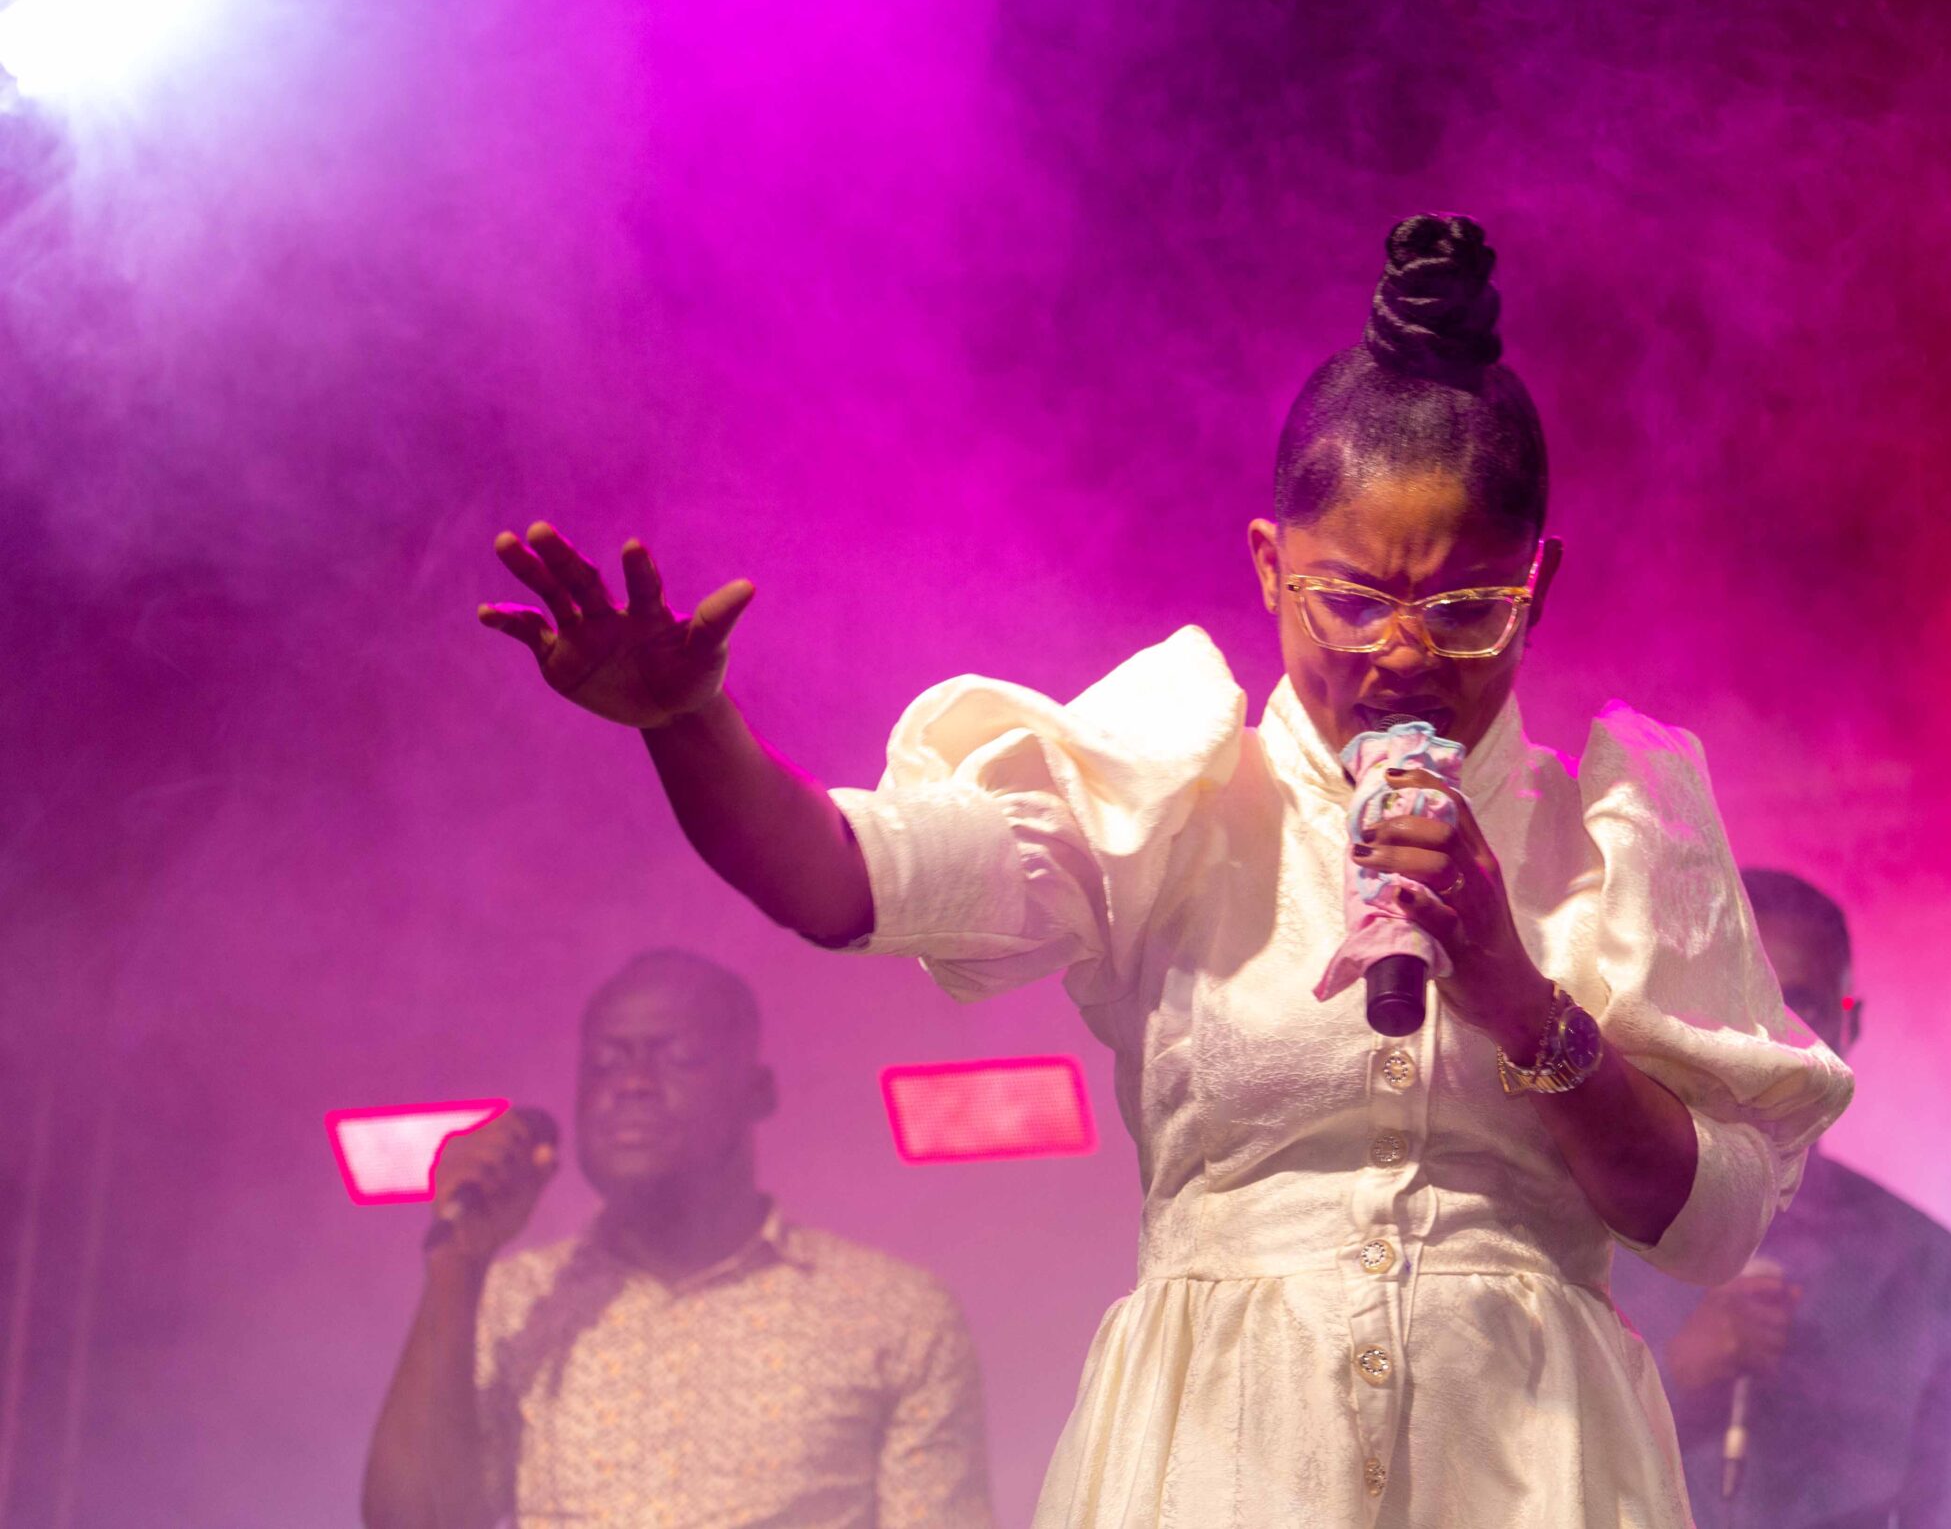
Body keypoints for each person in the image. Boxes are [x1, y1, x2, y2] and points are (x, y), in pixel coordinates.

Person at [474, 214, 1854, 1527]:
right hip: (1222, 1460)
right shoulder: (1170, 789)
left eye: (1467, 607)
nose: (1406, 652)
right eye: (1357, 598)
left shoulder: (1608, 831)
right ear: (1269, 566)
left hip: (1533, 1468)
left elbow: (1713, 1220)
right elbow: (843, 875)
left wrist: (1515, 990)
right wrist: (687, 725)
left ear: (1538, 585)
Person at [360, 948, 995, 1529]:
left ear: (758, 1093)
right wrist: (457, 1260)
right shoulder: (513, 1300)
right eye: (604, 1063)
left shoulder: (893, 1314)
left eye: (678, 1057)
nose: (631, 1083)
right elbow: (412, 1524)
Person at [1610, 868, 1951, 1529]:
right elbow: (1507, 1457)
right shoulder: (1597, 1226)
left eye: (1803, 1005)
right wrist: (1676, 1372)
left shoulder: (1931, 1272)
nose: (1771, 1035)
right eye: (1741, 1000)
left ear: (1849, 1024)